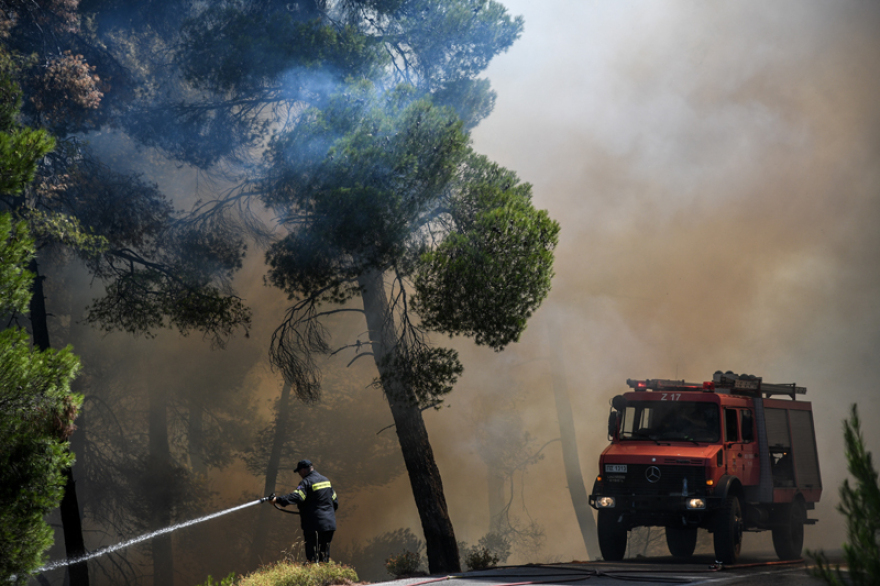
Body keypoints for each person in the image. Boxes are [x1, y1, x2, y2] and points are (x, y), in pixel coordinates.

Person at [272, 459, 339, 562]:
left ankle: (313, 574)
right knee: (324, 555)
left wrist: (277, 500)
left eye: (299, 472)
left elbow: (298, 496)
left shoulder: (306, 482)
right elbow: (335, 501)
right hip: (329, 524)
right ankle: (324, 576)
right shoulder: (326, 480)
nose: (299, 474)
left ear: (303, 470)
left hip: (314, 525)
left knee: (312, 556)